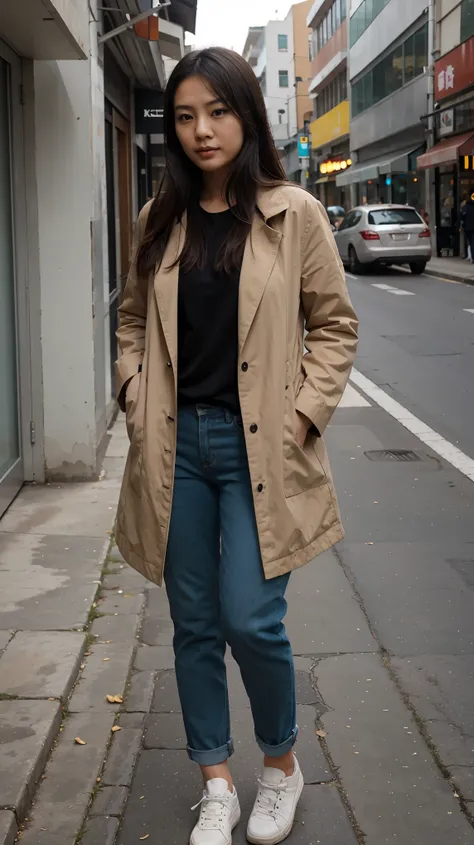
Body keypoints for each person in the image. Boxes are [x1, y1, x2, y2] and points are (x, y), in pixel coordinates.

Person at [115, 47, 358, 845]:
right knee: (192, 621)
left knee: (252, 619)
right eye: (184, 117)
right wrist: (133, 392)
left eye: (216, 112)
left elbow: (335, 326)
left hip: (261, 447)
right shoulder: (160, 215)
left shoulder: (294, 214)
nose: (201, 131)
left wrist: (302, 414)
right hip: (176, 447)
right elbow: (128, 318)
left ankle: (281, 764)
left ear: (247, 114)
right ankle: (216, 780)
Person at [461, 192, 474, 263]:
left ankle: (471, 257)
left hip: (468, 227)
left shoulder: (465, 207)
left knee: (471, 242)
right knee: (472, 242)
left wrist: (463, 225)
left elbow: (463, 216)